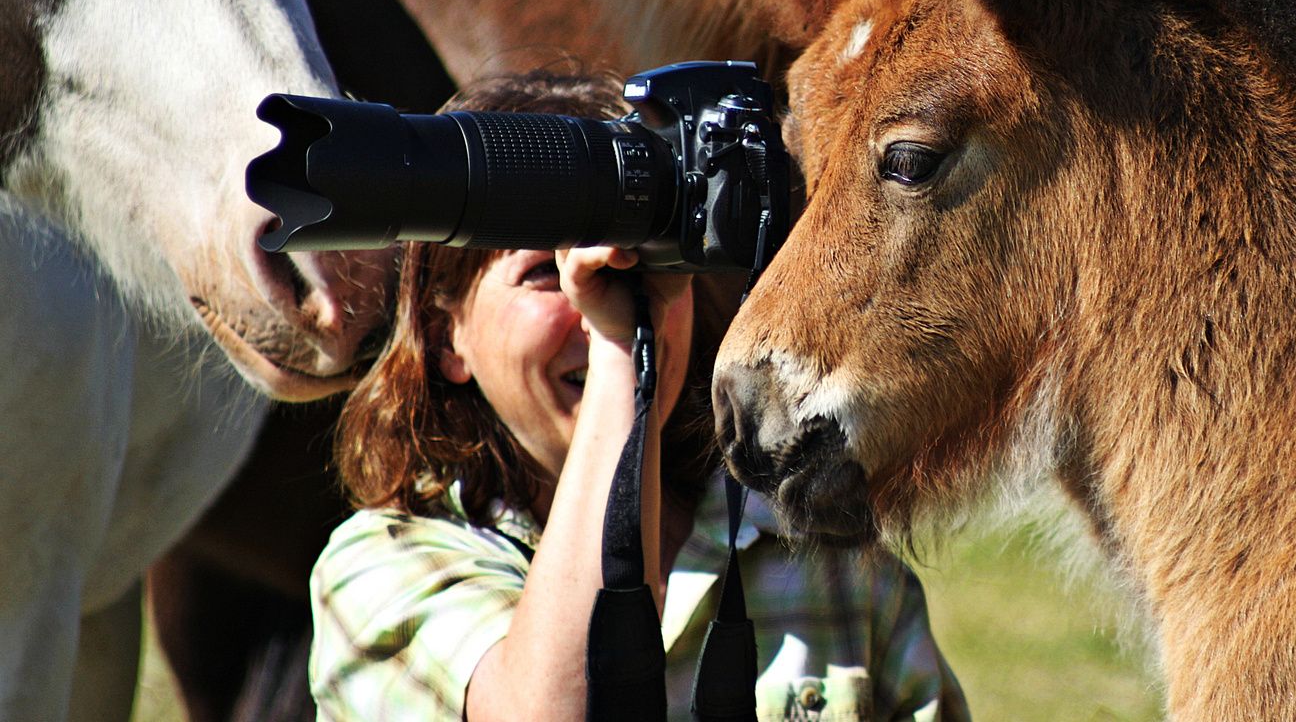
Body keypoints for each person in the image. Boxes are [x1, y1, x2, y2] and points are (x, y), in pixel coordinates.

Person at [308, 68, 969, 722]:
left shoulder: (820, 554)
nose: (597, 295)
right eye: (543, 272)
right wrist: (621, 349)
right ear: (444, 337)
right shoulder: (380, 572)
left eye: (646, 264)